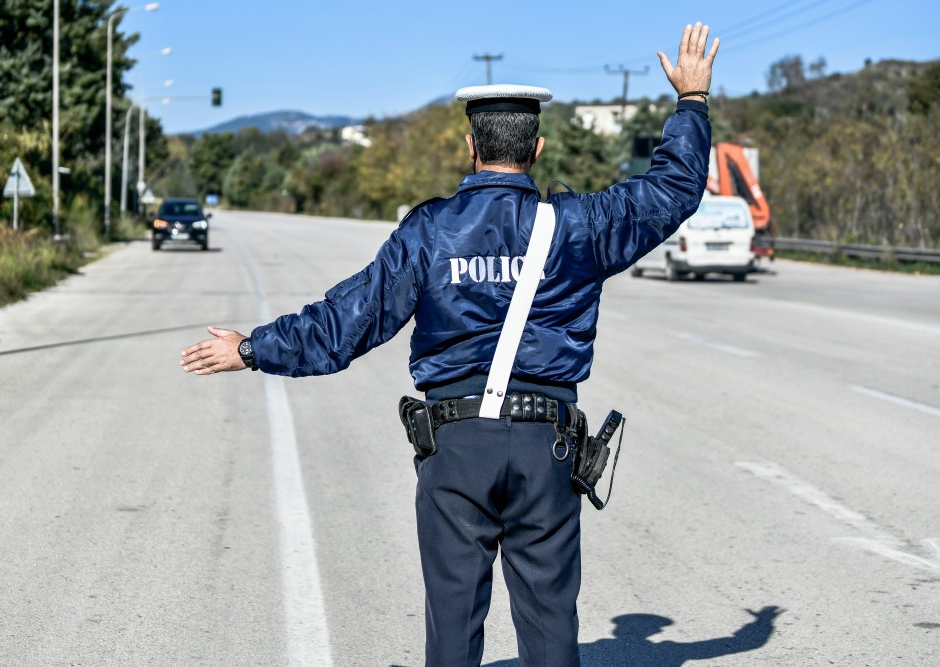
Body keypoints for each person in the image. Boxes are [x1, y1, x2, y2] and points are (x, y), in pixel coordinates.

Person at [180, 22, 719, 667]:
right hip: (547, 446)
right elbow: (671, 192)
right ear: (538, 147)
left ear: (471, 145)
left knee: (454, 619)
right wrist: (691, 102)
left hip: (455, 446)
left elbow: (349, 320)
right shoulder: (578, 227)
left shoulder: (431, 230)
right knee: (550, 623)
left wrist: (251, 348)